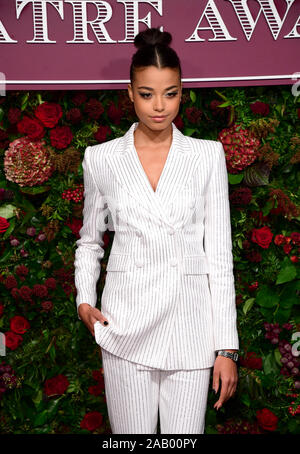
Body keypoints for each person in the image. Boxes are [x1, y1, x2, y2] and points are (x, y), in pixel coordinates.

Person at [74, 27, 239, 434]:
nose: (160, 106)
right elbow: (90, 239)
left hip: (191, 325)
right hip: (125, 321)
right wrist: (83, 299)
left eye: (171, 93)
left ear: (183, 92)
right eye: (147, 94)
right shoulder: (102, 159)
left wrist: (227, 348)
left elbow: (219, 255)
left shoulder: (205, 155)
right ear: (130, 93)